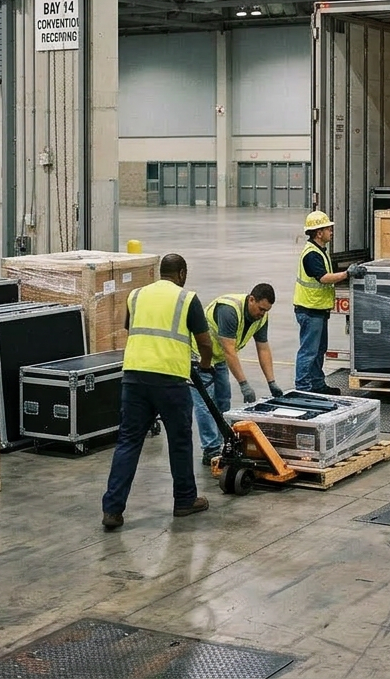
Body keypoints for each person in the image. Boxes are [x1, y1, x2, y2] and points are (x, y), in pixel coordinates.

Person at [101, 253, 213, 530]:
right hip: (170, 381)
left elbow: (132, 330)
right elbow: (205, 343)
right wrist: (206, 365)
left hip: (134, 376)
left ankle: (112, 510)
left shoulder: (136, 295)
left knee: (128, 442)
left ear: (158, 272)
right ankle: (185, 500)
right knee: (179, 441)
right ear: (182, 274)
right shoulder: (187, 299)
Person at [194, 283, 284, 465]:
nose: (262, 314)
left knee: (223, 400)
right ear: (251, 299)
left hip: (217, 356)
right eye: (260, 309)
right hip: (199, 354)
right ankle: (210, 449)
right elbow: (229, 350)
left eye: (266, 310)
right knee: (205, 403)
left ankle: (223, 444)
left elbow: (263, 348)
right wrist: (244, 384)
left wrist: (271, 381)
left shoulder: (260, 318)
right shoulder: (229, 310)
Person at [294, 210, 352, 394]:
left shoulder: (320, 251)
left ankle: (317, 385)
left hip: (317, 309)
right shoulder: (312, 254)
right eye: (328, 229)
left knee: (319, 350)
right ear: (319, 233)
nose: (331, 232)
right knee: (309, 351)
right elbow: (323, 278)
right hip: (309, 310)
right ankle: (303, 388)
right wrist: (347, 274)